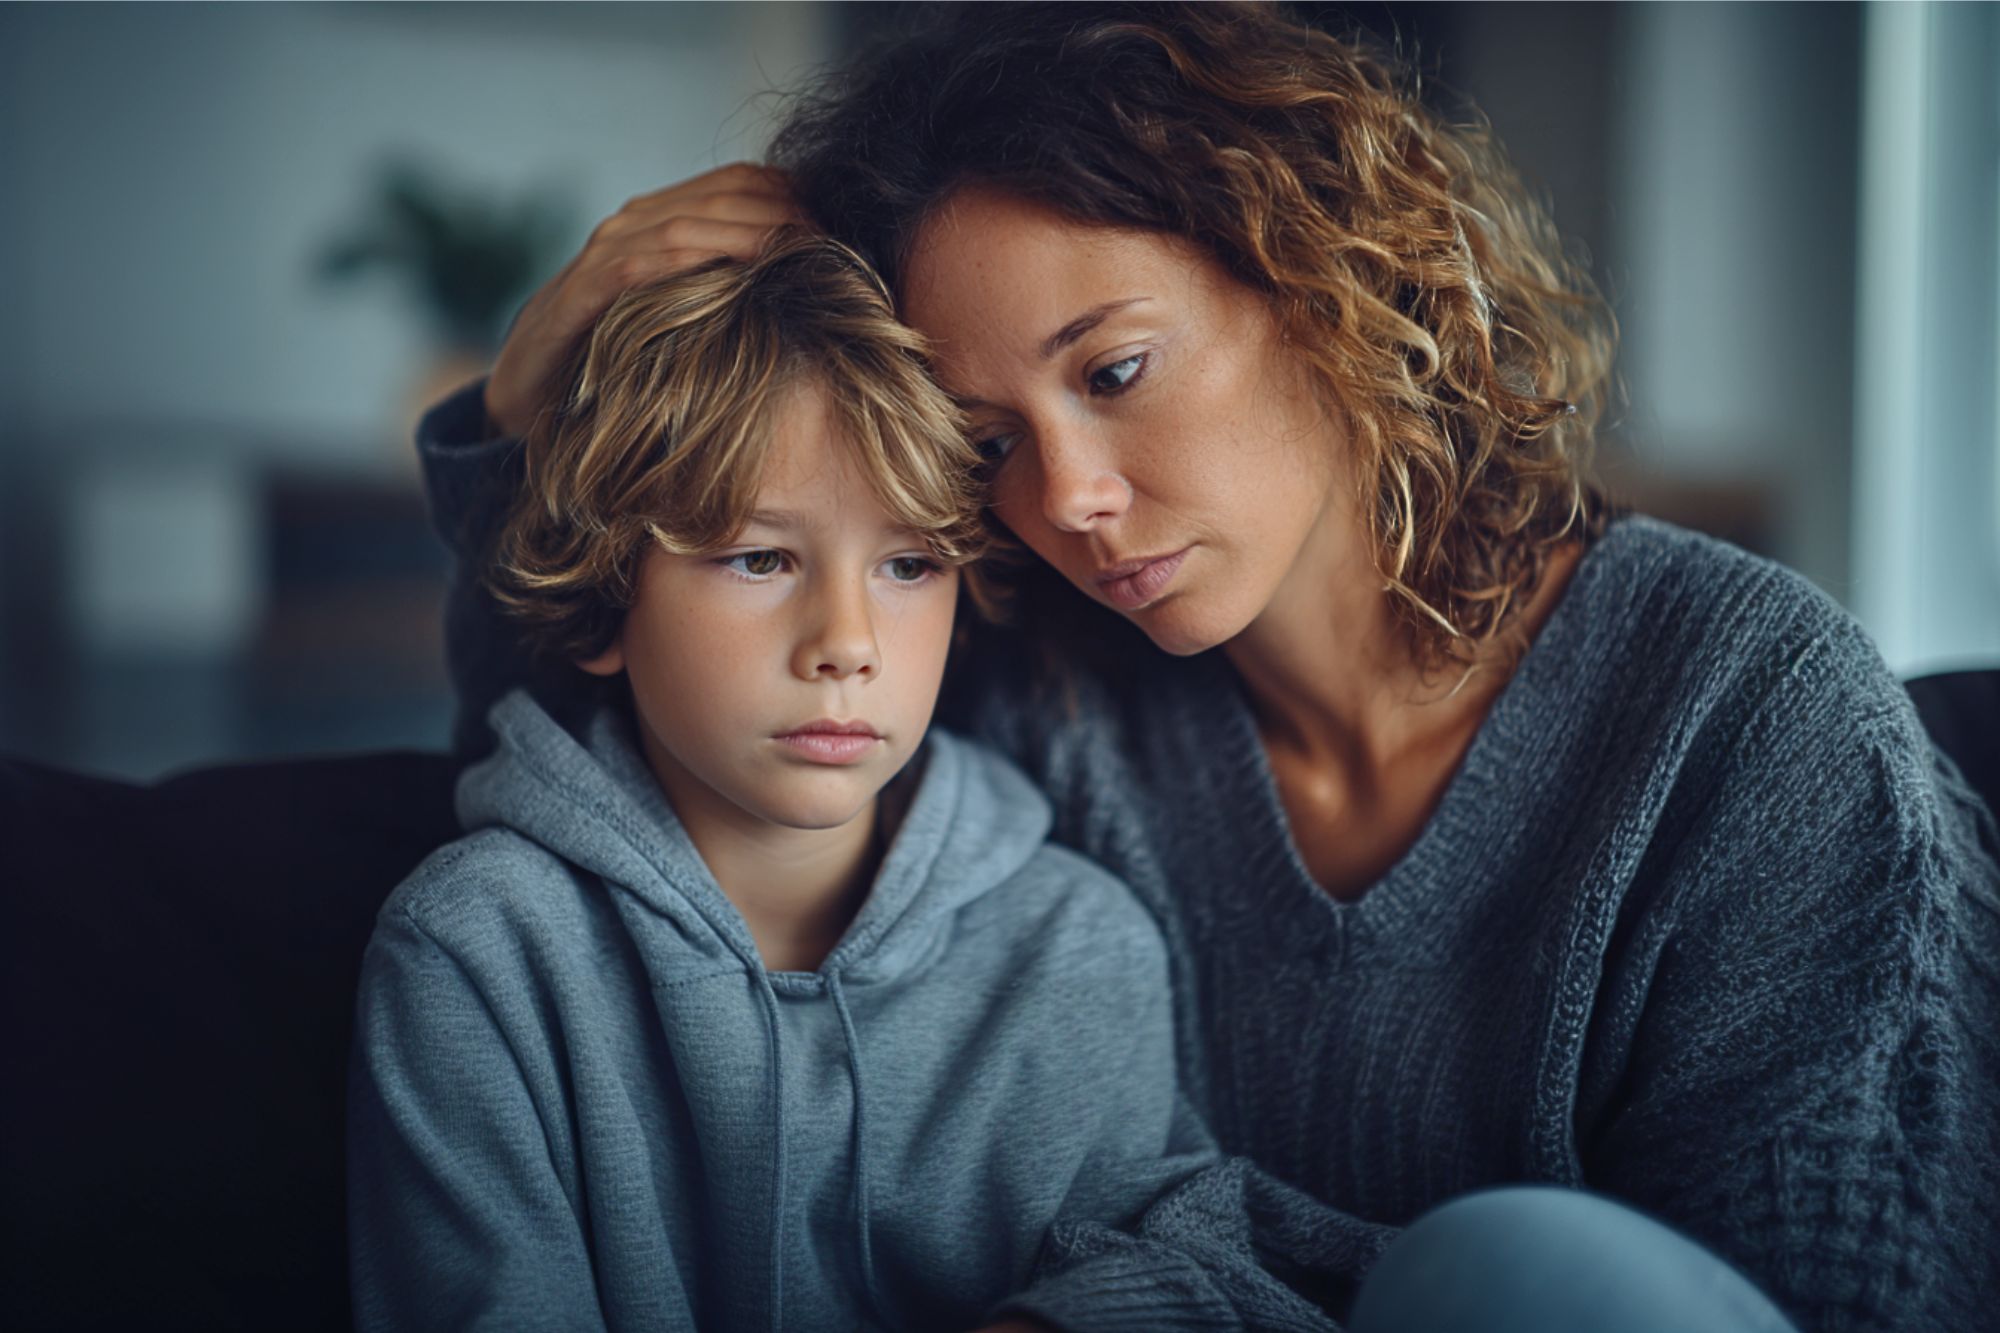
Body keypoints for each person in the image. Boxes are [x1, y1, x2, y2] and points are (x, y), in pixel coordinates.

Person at [413, 5, 2000, 1330]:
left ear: (1320, 283)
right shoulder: (1041, 688)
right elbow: (608, 717)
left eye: (1114, 371)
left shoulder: (1749, 714)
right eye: (988, 446)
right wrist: (533, 381)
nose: (1066, 500)